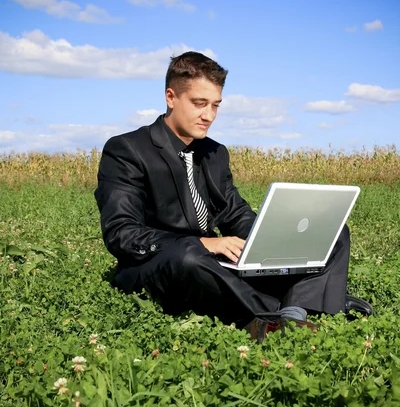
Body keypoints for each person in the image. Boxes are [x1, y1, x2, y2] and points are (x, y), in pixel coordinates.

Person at [94, 52, 372, 343]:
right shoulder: (127, 149)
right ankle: (288, 310)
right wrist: (203, 243)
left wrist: (270, 238)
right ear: (171, 97)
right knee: (189, 257)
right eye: (199, 104)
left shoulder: (215, 153)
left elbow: (235, 213)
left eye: (215, 105)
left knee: (333, 233)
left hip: (213, 266)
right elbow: (121, 234)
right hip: (161, 265)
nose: (209, 116)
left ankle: (293, 311)